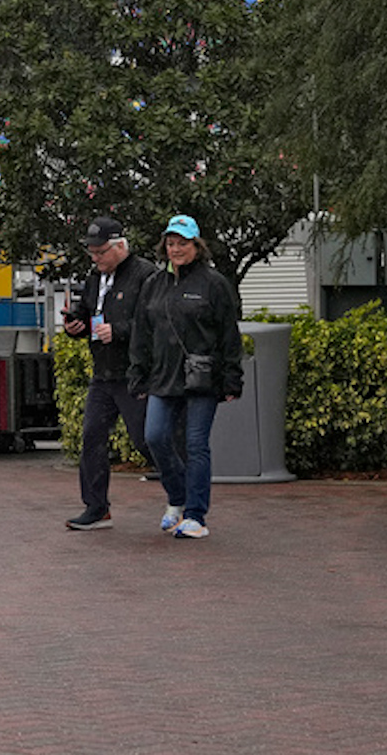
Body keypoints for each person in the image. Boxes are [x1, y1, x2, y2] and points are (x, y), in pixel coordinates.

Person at [127, 215, 244, 540]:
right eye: (171, 243)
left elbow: (228, 334)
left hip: (202, 379)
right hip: (162, 377)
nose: (176, 249)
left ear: (197, 245)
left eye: (182, 243)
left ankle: (195, 515)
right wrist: (137, 372)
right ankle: (176, 498)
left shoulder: (214, 283)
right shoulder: (154, 284)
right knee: (155, 437)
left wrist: (232, 377)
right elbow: (141, 332)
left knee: (195, 445)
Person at [60, 216, 158, 531]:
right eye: (92, 252)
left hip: (134, 373)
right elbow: (86, 310)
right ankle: (96, 507)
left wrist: (118, 331)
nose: (96, 258)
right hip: (103, 374)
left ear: (120, 246)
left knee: (147, 440)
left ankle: (184, 498)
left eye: (101, 252)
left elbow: (153, 323)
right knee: (91, 437)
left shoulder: (146, 275)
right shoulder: (95, 277)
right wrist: (74, 323)